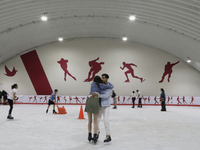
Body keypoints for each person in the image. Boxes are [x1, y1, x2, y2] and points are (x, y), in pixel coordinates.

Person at [85, 75, 113, 144]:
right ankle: (96, 133)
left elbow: (106, 95)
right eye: (102, 78)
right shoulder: (100, 85)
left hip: (106, 106)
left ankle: (108, 135)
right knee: (96, 120)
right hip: (100, 105)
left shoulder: (109, 87)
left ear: (107, 78)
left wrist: (98, 95)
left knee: (105, 121)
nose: (102, 79)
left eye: (103, 78)